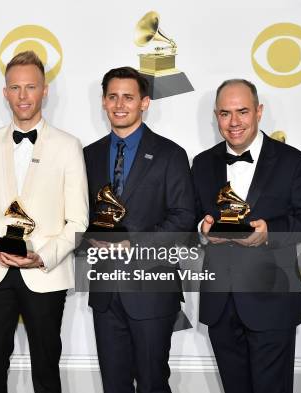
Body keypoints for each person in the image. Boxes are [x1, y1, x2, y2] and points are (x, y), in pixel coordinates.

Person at [191, 79, 301, 393]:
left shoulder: (293, 162)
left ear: (259, 112)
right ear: (216, 116)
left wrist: (270, 232)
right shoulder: (202, 163)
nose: (234, 122)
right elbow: (192, 218)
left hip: (273, 301)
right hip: (219, 303)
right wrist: (203, 230)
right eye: (225, 113)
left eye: (242, 112)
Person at [0, 50, 88, 393]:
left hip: (44, 275)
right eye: (15, 88)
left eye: (30, 87)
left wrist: (43, 256)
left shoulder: (68, 146)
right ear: (5, 92)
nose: (23, 96)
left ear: (45, 90)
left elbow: (78, 220)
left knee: (47, 371)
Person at [83, 66, 195, 393]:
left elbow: (183, 217)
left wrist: (132, 244)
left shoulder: (170, 154)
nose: (120, 104)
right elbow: (80, 213)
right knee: (114, 386)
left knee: (152, 383)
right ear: (103, 102)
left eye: (128, 97)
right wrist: (87, 236)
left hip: (152, 292)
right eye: (113, 96)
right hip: (105, 294)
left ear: (144, 103)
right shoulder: (88, 155)